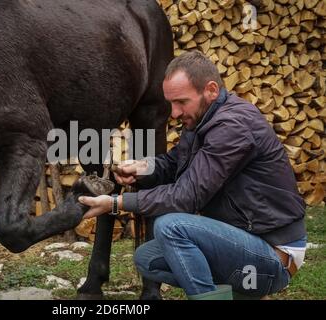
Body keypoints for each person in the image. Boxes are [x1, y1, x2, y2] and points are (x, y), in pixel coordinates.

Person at [78, 51, 307, 300]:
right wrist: (144, 169)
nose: (174, 113)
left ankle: (233, 293)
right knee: (148, 259)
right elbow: (174, 163)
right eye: (171, 103)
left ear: (210, 89)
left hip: (273, 255)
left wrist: (116, 203)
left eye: (181, 102)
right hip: (242, 243)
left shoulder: (233, 127)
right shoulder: (201, 121)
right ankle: (239, 294)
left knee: (171, 226)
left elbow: (187, 196)